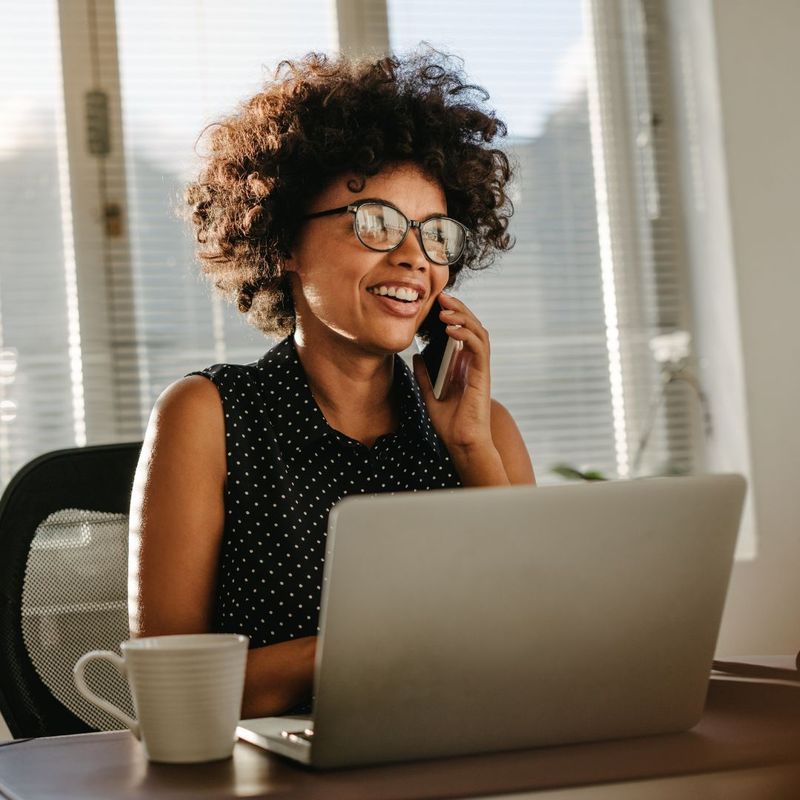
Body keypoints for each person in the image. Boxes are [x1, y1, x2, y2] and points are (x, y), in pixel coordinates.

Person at [128, 47, 535, 719]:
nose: (414, 256)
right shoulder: (208, 416)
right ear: (284, 240)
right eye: (376, 223)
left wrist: (472, 453)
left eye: (437, 234)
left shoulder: (483, 430)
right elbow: (170, 691)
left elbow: (543, 648)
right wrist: (383, 643)